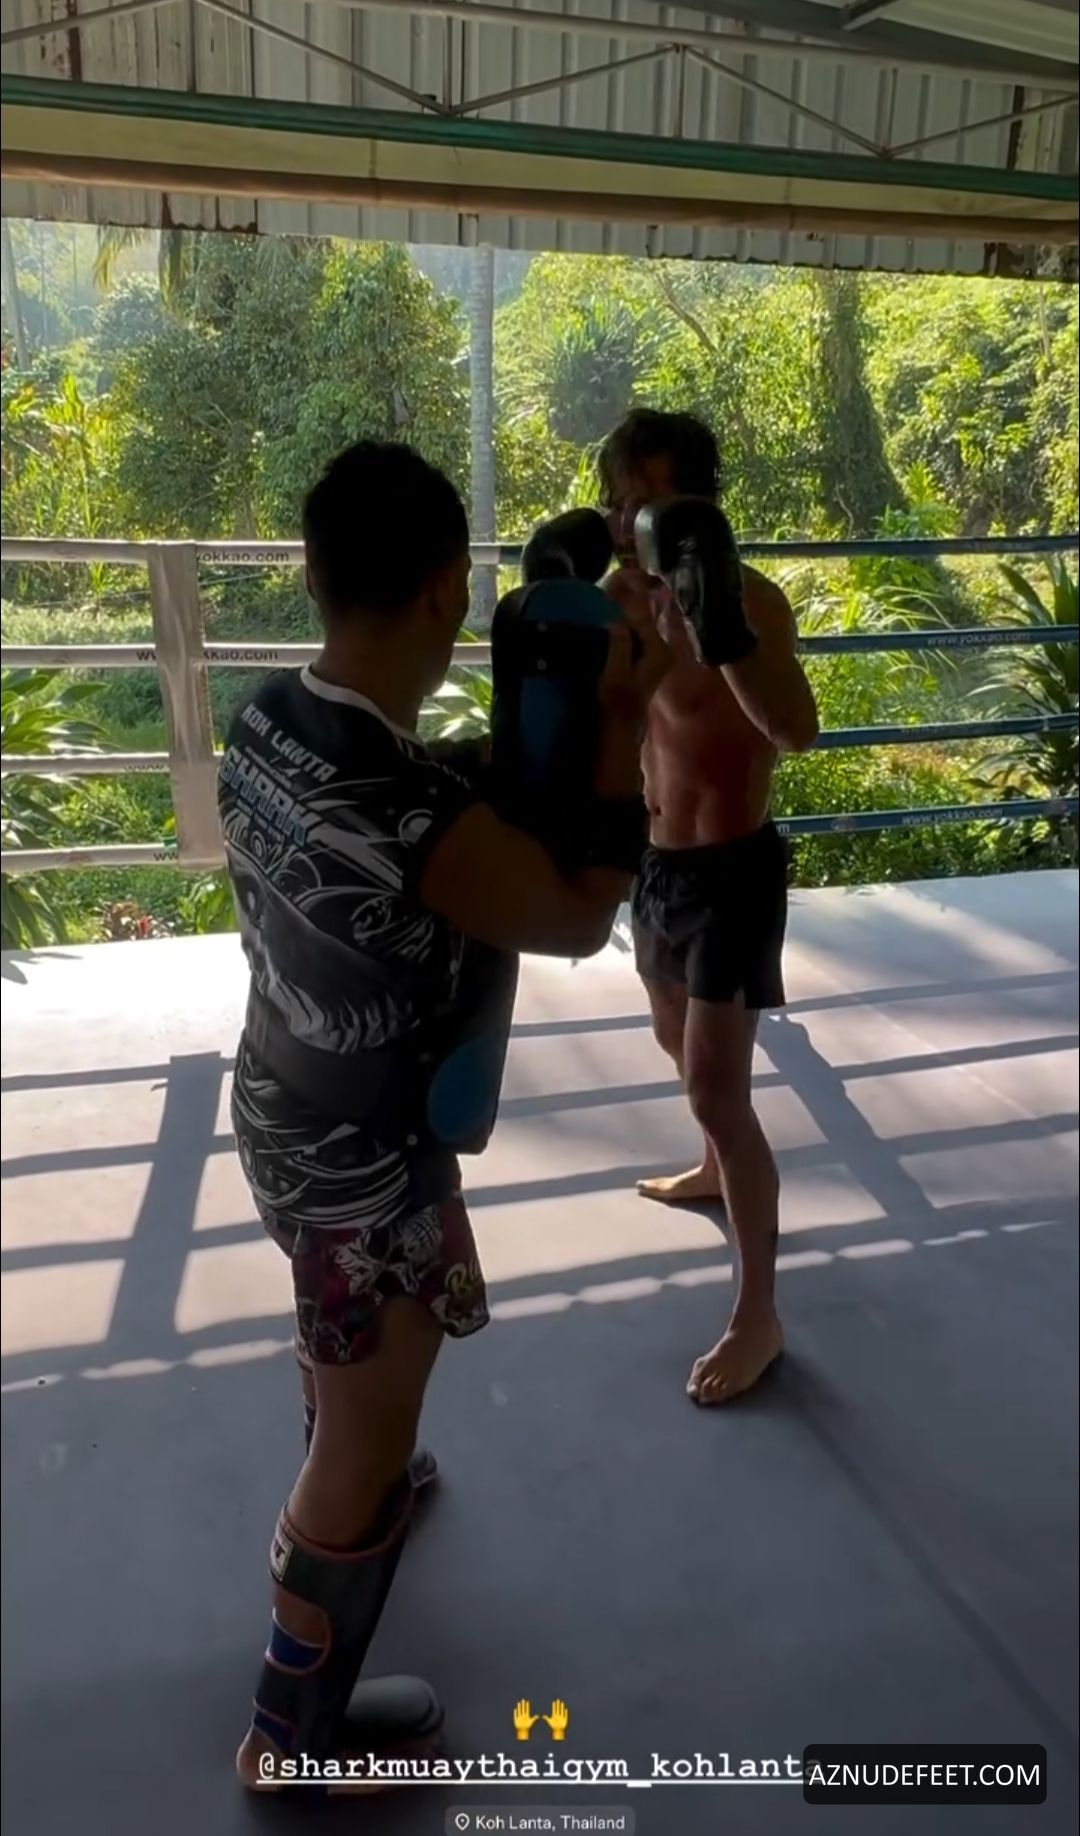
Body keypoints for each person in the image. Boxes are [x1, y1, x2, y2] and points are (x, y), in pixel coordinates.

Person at [218, 440, 668, 1790]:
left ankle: (354, 1451)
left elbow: (422, 798)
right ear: (446, 590)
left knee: (336, 1345)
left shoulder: (267, 721)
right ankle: (287, 1737)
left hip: (282, 1105)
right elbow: (575, 916)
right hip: (371, 1168)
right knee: (366, 1443)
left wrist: (535, 721)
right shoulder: (414, 812)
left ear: (316, 575)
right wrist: (621, 722)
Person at [598, 408, 820, 1406]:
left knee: (720, 1094)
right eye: (617, 501)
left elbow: (795, 730)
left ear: (698, 510)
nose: (627, 521)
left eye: (648, 502)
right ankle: (710, 1165)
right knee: (673, 1043)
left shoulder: (752, 603)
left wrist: (715, 624)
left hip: (732, 875)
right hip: (657, 870)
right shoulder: (616, 600)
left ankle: (757, 1314)